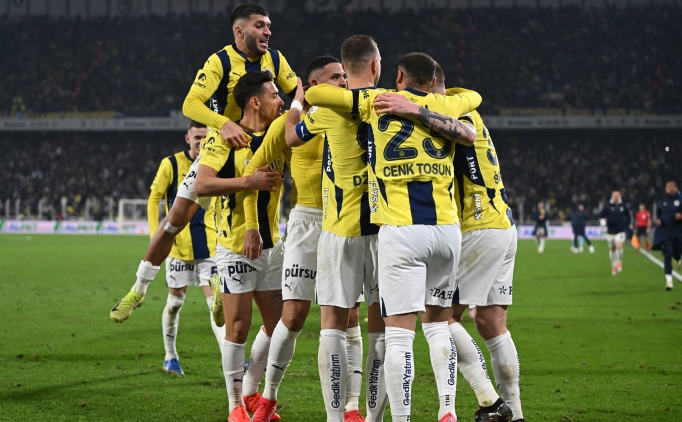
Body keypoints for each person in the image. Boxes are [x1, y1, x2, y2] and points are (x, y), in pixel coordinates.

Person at [306, 52, 481, 422]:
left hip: (400, 232)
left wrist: (401, 103)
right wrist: (422, 107)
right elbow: (474, 99)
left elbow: (315, 95)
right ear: (433, 82)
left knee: (399, 337)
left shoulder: (377, 100)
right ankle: (447, 409)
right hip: (447, 230)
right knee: (439, 325)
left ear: (397, 76)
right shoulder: (445, 104)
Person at [110, 3, 296, 324]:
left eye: (268, 25)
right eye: (260, 25)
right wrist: (223, 123)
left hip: (258, 148)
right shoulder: (220, 61)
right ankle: (138, 290)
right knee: (175, 219)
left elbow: (299, 93)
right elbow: (190, 104)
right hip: (220, 148)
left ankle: (223, 282)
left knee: (241, 222)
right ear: (239, 31)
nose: (267, 31)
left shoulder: (276, 60)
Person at [377, 63, 516, 421]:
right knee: (491, 321)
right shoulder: (465, 105)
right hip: (502, 223)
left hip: (476, 225)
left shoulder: (446, 116)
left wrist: (413, 110)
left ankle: (490, 400)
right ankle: (514, 413)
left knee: (441, 318)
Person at [242, 57, 360, 422]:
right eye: (335, 77)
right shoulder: (289, 123)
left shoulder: (353, 115)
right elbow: (253, 173)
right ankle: (267, 397)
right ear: (313, 85)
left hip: (345, 223)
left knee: (350, 317)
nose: (344, 82)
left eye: (345, 76)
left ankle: (352, 407)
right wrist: (252, 226)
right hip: (307, 222)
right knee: (292, 317)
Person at [286, 36, 387, 422]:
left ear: (345, 69)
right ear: (375, 66)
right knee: (381, 329)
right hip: (383, 231)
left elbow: (291, 137)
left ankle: (335, 417)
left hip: (339, 230)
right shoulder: (389, 103)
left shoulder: (327, 107)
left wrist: (299, 101)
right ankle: (372, 417)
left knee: (333, 325)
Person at [195, 71, 285, 422]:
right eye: (274, 95)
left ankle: (250, 388)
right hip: (235, 245)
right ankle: (235, 405)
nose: (280, 100)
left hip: (272, 245)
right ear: (255, 102)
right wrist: (249, 181)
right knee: (237, 327)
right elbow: (202, 185)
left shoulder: (278, 134)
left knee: (279, 326)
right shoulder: (225, 137)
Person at [145, 120, 225, 375]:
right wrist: (155, 236)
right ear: (187, 139)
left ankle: (230, 359)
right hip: (178, 248)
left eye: (205, 136)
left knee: (217, 306)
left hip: (209, 248)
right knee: (175, 303)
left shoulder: (218, 161)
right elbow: (154, 199)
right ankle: (170, 357)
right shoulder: (171, 164)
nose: (201, 141)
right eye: (197, 137)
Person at [652, 181, 682, 290]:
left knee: (677, 252)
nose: (668, 188)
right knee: (668, 254)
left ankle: (678, 258)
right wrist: (658, 220)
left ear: (675, 188)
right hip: (665, 233)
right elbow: (658, 213)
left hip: (678, 232)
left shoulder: (680, 200)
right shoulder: (662, 201)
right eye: (666, 186)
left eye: (670, 186)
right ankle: (669, 282)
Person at [599, 191, 632, 276]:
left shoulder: (623, 206)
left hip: (620, 231)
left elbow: (628, 216)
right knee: (612, 249)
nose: (616, 197)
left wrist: (630, 224)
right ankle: (613, 265)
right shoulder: (607, 206)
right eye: (614, 195)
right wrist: (602, 220)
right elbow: (601, 215)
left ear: (620, 196)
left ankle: (619, 261)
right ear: (612, 196)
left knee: (619, 246)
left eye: (617, 195)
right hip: (610, 231)